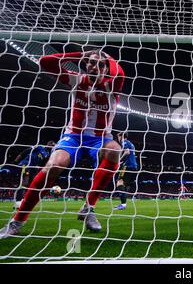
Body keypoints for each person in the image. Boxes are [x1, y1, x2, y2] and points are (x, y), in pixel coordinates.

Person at [0, 49, 124, 238]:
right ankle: (17, 221)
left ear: (107, 69)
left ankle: (88, 208)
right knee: (54, 165)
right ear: (85, 63)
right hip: (73, 136)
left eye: (100, 64)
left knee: (115, 150)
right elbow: (45, 61)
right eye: (91, 62)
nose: (95, 66)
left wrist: (106, 56)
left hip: (100, 138)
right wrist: (81, 54)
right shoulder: (76, 79)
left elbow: (120, 72)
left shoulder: (112, 85)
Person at [6, 141, 55, 208]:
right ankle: (18, 202)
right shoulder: (40, 147)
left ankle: (26, 201)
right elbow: (25, 152)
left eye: (53, 145)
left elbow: (43, 164)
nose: (52, 146)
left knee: (33, 184)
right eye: (52, 144)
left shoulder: (47, 154)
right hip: (26, 164)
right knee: (25, 182)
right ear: (48, 143)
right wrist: (15, 161)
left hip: (34, 168)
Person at [113, 132, 139, 210]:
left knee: (119, 182)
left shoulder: (124, 142)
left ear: (121, 136)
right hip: (134, 166)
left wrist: (119, 161)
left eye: (118, 136)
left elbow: (127, 152)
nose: (118, 138)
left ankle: (123, 204)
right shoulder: (131, 144)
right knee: (125, 184)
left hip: (127, 165)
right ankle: (128, 199)